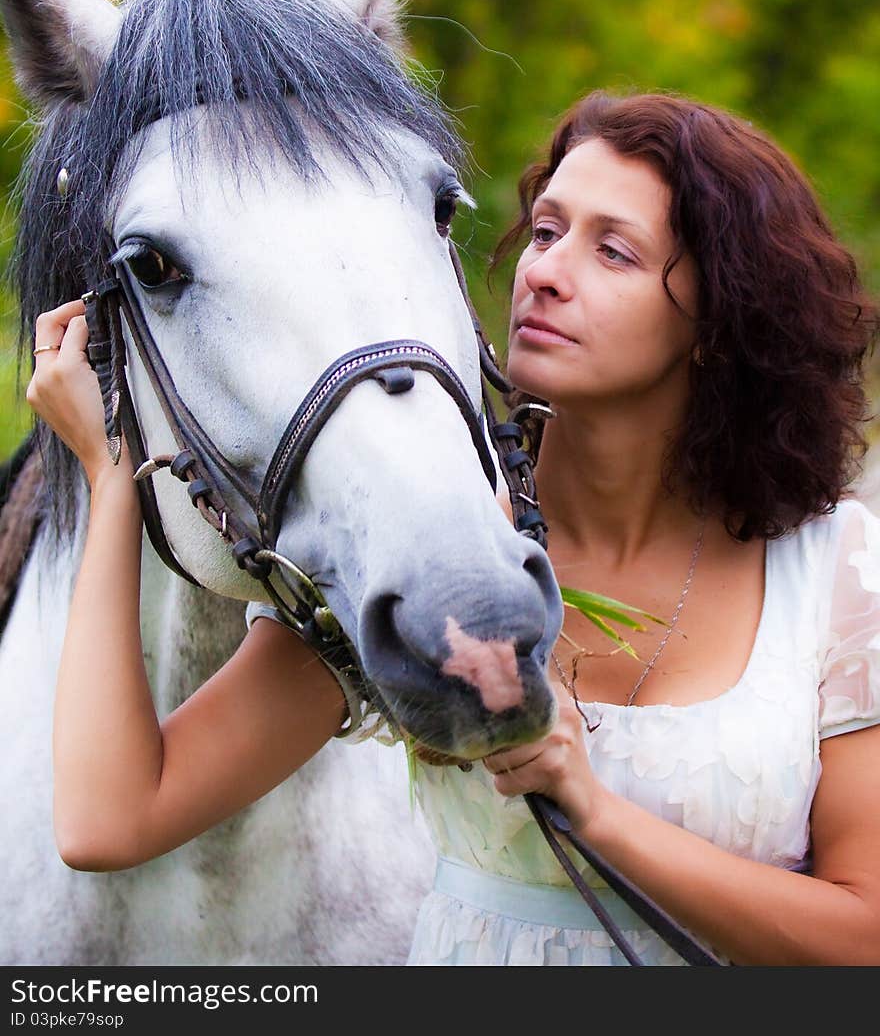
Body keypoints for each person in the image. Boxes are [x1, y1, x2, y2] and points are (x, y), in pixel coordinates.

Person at [29, 90, 880, 966]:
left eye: (613, 251)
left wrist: (597, 812)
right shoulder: (433, 552)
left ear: (718, 320)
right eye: (545, 232)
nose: (544, 272)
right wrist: (110, 473)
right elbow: (110, 818)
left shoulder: (834, 570)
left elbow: (864, 936)